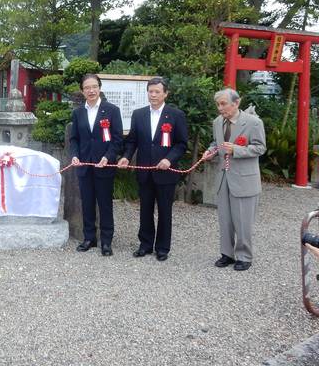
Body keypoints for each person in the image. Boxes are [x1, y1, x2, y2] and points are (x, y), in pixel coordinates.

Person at [117, 77, 188, 262]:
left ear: (165, 94)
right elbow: (132, 141)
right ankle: (145, 244)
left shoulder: (175, 115)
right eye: (151, 91)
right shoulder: (139, 114)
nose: (153, 95)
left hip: (166, 172)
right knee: (145, 210)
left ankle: (163, 248)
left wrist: (169, 159)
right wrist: (125, 156)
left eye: (157, 91)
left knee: (165, 211)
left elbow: (181, 144)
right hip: (145, 170)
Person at [202, 88, 266, 271]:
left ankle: (244, 256)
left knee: (243, 220)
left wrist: (236, 150)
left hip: (245, 179)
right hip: (224, 177)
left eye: (223, 104)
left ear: (236, 103)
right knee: (225, 219)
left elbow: (260, 148)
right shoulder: (217, 122)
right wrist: (211, 151)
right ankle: (227, 254)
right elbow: (217, 143)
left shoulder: (253, 122)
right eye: (218, 104)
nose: (220, 108)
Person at [69, 74, 123, 256]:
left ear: (99, 88)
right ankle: (89, 238)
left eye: (94, 87)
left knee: (105, 203)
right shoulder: (78, 112)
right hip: (84, 165)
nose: (91, 91)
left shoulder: (112, 110)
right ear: (82, 91)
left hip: (104, 165)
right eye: (87, 88)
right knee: (87, 203)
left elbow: (117, 140)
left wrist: (108, 157)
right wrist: (75, 155)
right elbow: (74, 139)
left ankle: (106, 241)